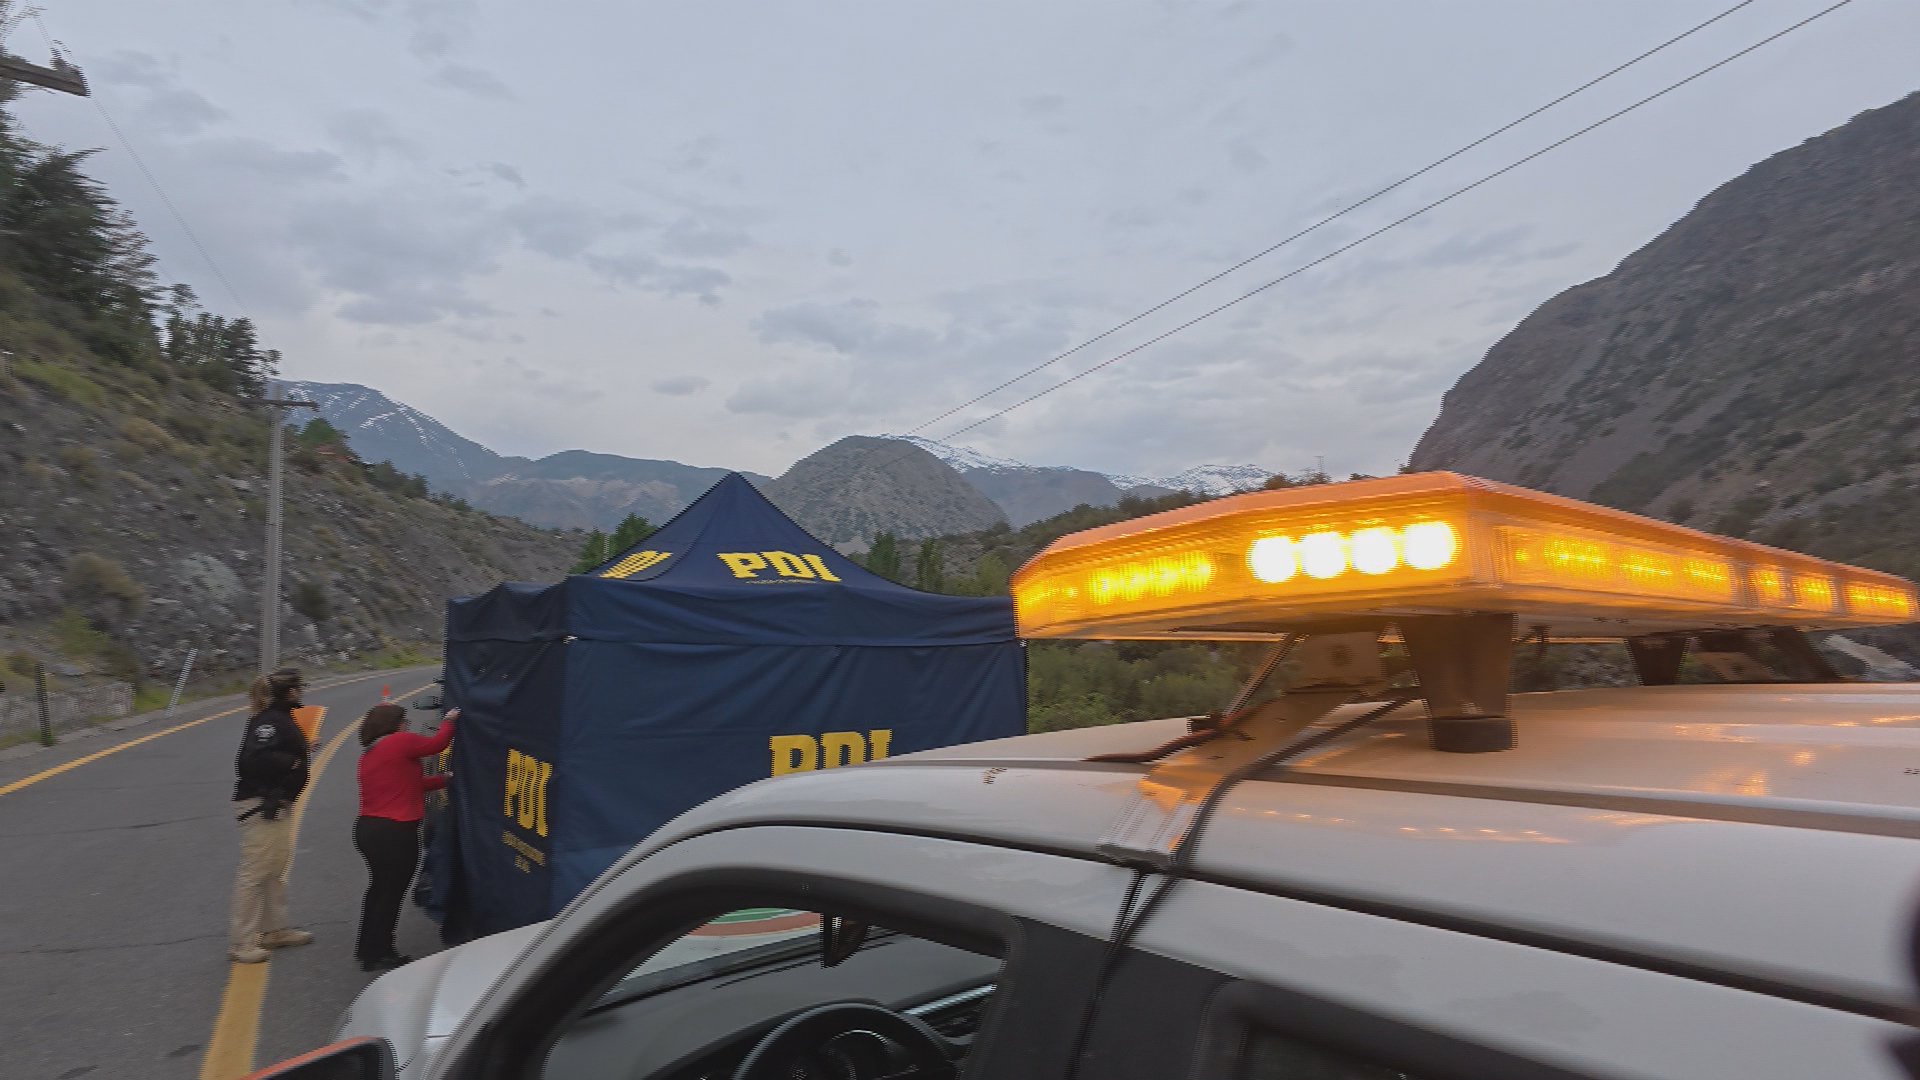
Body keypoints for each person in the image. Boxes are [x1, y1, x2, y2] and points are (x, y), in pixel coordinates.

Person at [354, 702, 458, 972]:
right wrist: (450, 719)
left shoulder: (371, 753)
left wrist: (443, 779)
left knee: (378, 890)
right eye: (405, 721)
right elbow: (438, 743)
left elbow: (412, 784)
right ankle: (382, 951)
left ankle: (367, 948)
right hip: (395, 831)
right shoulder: (400, 742)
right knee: (391, 894)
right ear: (395, 724)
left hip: (369, 828)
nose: (408, 726)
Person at [229, 667, 316, 964]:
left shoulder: (279, 718)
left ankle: (274, 929)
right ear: (290, 691)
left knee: (274, 867)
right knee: (254, 872)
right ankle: (242, 942)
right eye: (300, 687)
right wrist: (291, 762)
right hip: (261, 803)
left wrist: (303, 749)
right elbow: (251, 759)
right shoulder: (269, 721)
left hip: (276, 803)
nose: (303, 691)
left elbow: (270, 749)